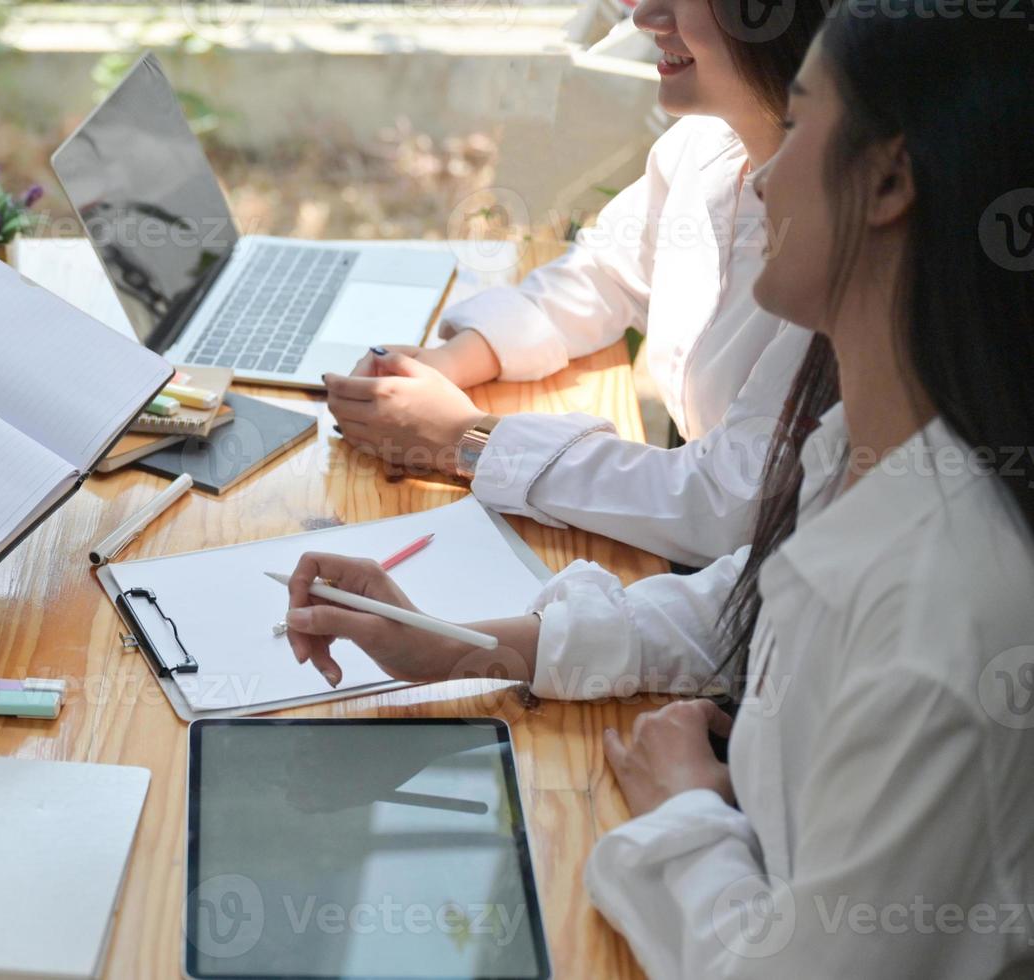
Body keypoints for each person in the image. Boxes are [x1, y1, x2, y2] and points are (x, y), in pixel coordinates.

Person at [282, 5, 1034, 974]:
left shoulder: (946, 627)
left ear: (889, 179)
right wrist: (463, 641)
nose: (760, 177)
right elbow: (742, 595)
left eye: (798, 128)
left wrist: (684, 810)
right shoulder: (868, 444)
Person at [325, 0, 829, 567]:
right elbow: (609, 273)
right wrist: (456, 361)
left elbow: (728, 503)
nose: (645, 17)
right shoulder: (706, 145)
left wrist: (465, 440)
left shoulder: (850, 245)